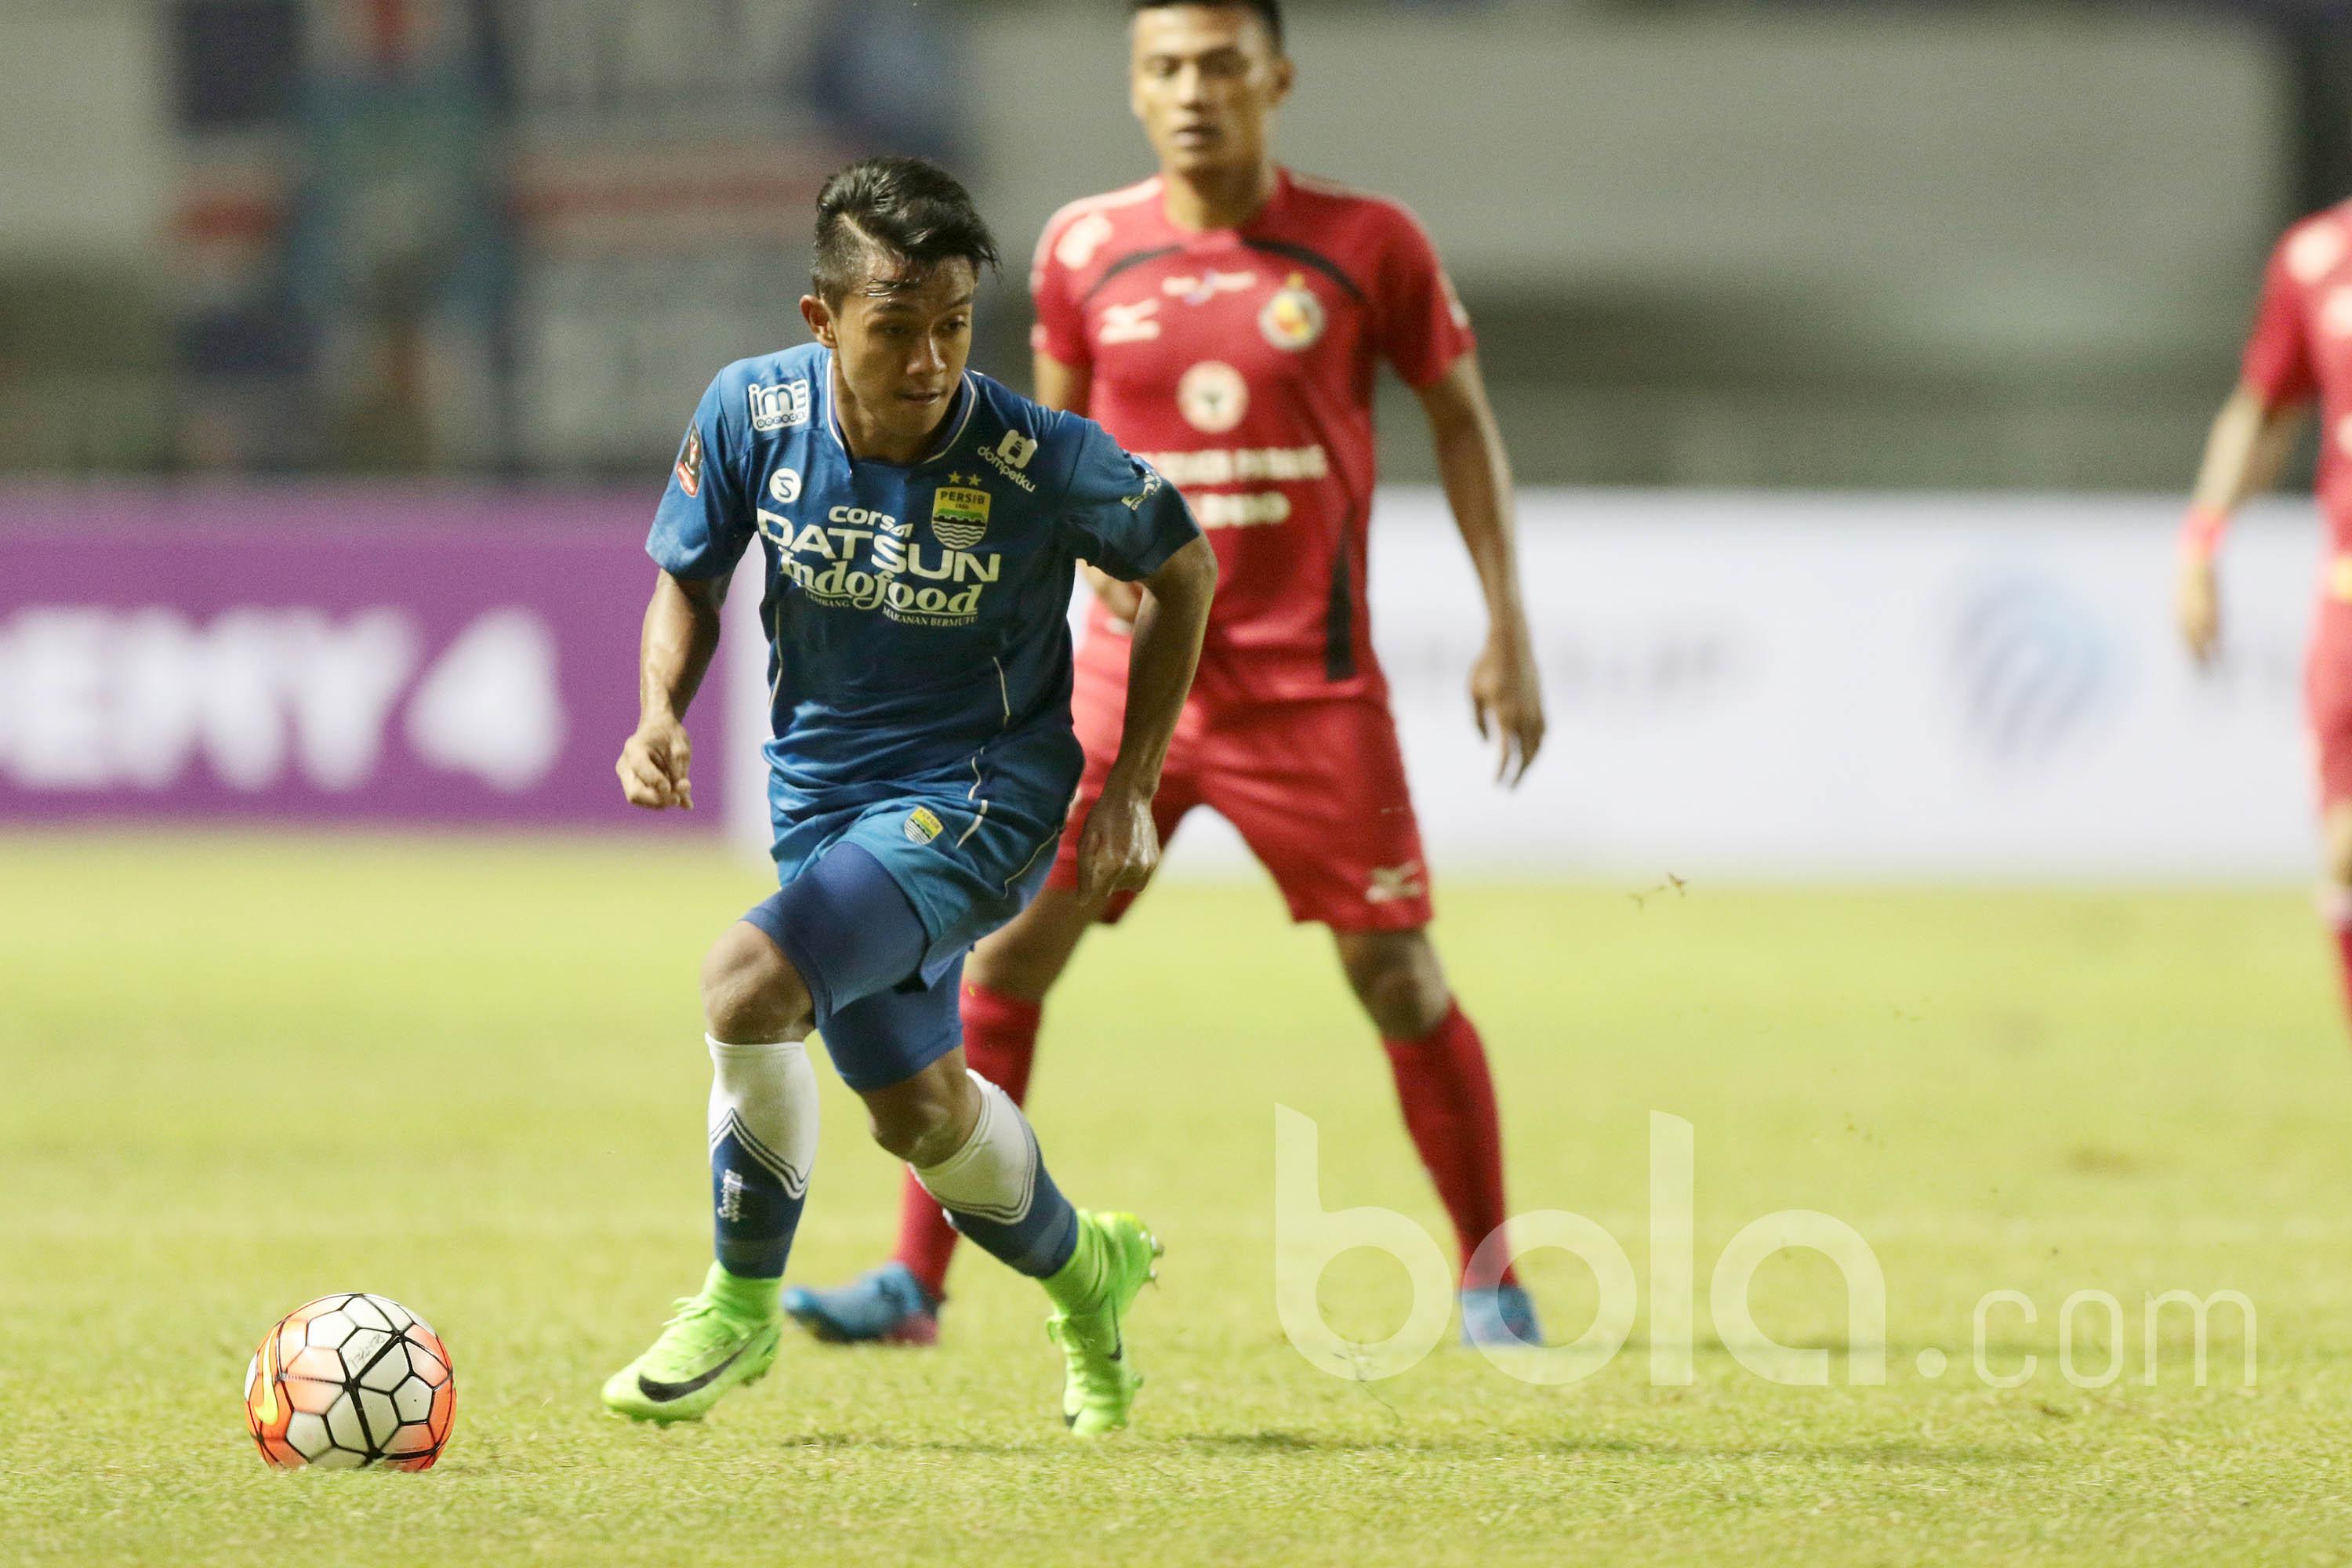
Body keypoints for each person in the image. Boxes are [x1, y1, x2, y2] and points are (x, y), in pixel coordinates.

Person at [786, 0, 1548, 1351]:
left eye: (1218, 65)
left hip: (1311, 695)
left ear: (1276, 78)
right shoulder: (1087, 246)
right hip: (1124, 681)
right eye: (1165, 68)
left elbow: (1464, 423)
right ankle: (916, 1284)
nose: (1192, 90)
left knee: (1400, 978)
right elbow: (1041, 449)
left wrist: (1507, 625)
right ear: (1135, 89)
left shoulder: (1374, 246)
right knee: (1008, 957)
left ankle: (1491, 1276)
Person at [600, 154, 1215, 1435]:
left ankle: (737, 1307)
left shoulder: (1035, 453)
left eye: (954, 325)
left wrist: (1130, 785)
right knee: (921, 1117)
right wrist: (660, 708)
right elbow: (689, 577)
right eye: (898, 326)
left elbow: (1184, 569)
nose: (932, 360)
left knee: (746, 985)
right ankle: (1089, 1274)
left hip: (985, 797)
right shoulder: (749, 413)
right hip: (825, 804)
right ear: (823, 317)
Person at [2181, 202, 2352, 1033]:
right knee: (2347, 848)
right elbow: (2263, 410)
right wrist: (2202, 543)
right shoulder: (2317, 255)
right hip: (2350, 596)